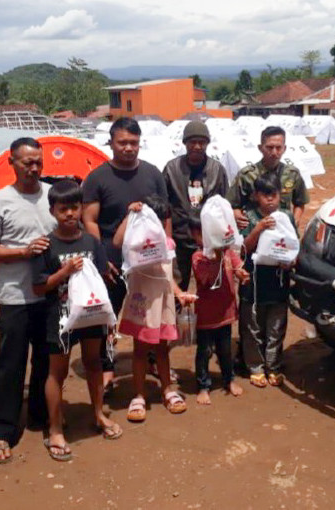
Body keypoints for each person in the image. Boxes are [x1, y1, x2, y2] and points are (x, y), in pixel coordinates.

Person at [0, 137, 57, 464]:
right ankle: (1, 429)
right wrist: (22, 252)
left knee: (46, 360)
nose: (34, 168)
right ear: (12, 162)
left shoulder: (53, 195)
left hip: (50, 294)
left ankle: (39, 415)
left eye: (38, 161)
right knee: (10, 363)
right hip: (15, 296)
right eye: (27, 162)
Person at [31, 180, 122, 462]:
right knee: (56, 372)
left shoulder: (92, 242)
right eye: (63, 209)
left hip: (92, 314)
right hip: (59, 316)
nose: (69, 214)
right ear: (52, 211)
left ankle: (98, 414)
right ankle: (55, 428)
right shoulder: (46, 244)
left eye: (74, 207)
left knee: (94, 364)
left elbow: (102, 280)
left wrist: (109, 319)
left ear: (82, 208)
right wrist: (65, 272)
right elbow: (38, 286)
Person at [82, 117, 169, 392]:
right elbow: (90, 220)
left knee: (152, 313)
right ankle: (107, 368)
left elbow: (165, 215)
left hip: (150, 262)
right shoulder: (97, 177)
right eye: (123, 142)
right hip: (112, 260)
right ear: (111, 143)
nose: (129, 148)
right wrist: (99, 257)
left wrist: (167, 251)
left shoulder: (153, 174)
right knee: (108, 316)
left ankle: (154, 361)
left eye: (133, 142)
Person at [111, 195, 196, 422]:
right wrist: (131, 215)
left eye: (163, 219)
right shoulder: (134, 243)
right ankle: (138, 395)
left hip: (164, 303)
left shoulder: (168, 244)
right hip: (143, 303)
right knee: (140, 350)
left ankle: (167, 390)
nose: (160, 224)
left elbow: (168, 275)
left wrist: (180, 294)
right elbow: (117, 242)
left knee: (162, 349)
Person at [239, 173, 296, 388]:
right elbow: (243, 248)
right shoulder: (248, 216)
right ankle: (255, 366)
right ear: (255, 196)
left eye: (274, 195)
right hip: (253, 280)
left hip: (278, 280)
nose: (270, 200)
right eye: (265, 195)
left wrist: (289, 262)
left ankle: (274, 365)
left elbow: (292, 245)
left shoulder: (286, 216)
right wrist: (259, 228)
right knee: (252, 324)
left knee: (276, 325)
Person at [162, 121, 229, 291]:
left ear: (207, 143)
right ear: (185, 143)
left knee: (210, 286)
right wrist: (167, 238)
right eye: (192, 142)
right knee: (177, 285)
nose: (197, 146)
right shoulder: (171, 169)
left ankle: (207, 318)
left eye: (202, 142)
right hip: (179, 238)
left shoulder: (217, 170)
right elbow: (164, 205)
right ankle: (175, 316)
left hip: (208, 239)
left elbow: (224, 204)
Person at [189, 212, 248, 405]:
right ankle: (203, 386)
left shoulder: (227, 252)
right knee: (204, 351)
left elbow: (238, 266)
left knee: (225, 350)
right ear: (195, 235)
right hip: (207, 315)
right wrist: (217, 257)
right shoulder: (198, 257)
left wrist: (242, 274)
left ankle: (228, 380)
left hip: (226, 311)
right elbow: (207, 280)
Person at [226, 125, 309, 229]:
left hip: (282, 229)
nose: (274, 152)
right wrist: (237, 215)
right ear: (260, 148)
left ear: (284, 148)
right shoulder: (247, 175)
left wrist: (295, 220)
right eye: (269, 147)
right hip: (254, 230)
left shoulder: (292, 174)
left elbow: (300, 202)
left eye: (278, 148)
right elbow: (232, 204)